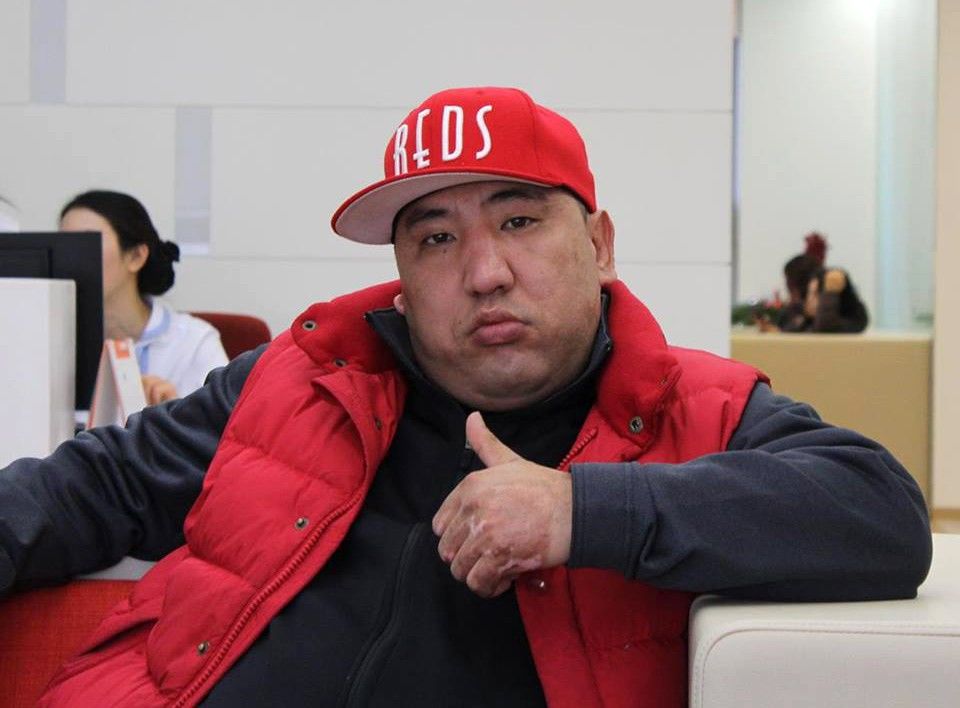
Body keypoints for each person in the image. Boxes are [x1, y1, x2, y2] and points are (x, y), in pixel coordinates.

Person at [0, 87, 930, 707]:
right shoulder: (300, 378)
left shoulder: (696, 408)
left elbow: (879, 511)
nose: (485, 272)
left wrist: (581, 511)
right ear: (403, 280)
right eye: (437, 239)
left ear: (599, 246)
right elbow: (95, 485)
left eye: (519, 219)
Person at [59, 190, 228, 404]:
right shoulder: (49, 338)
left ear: (136, 256)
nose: (70, 258)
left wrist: (173, 413)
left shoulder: (194, 342)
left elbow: (222, 421)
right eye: (63, 245)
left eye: (86, 244)